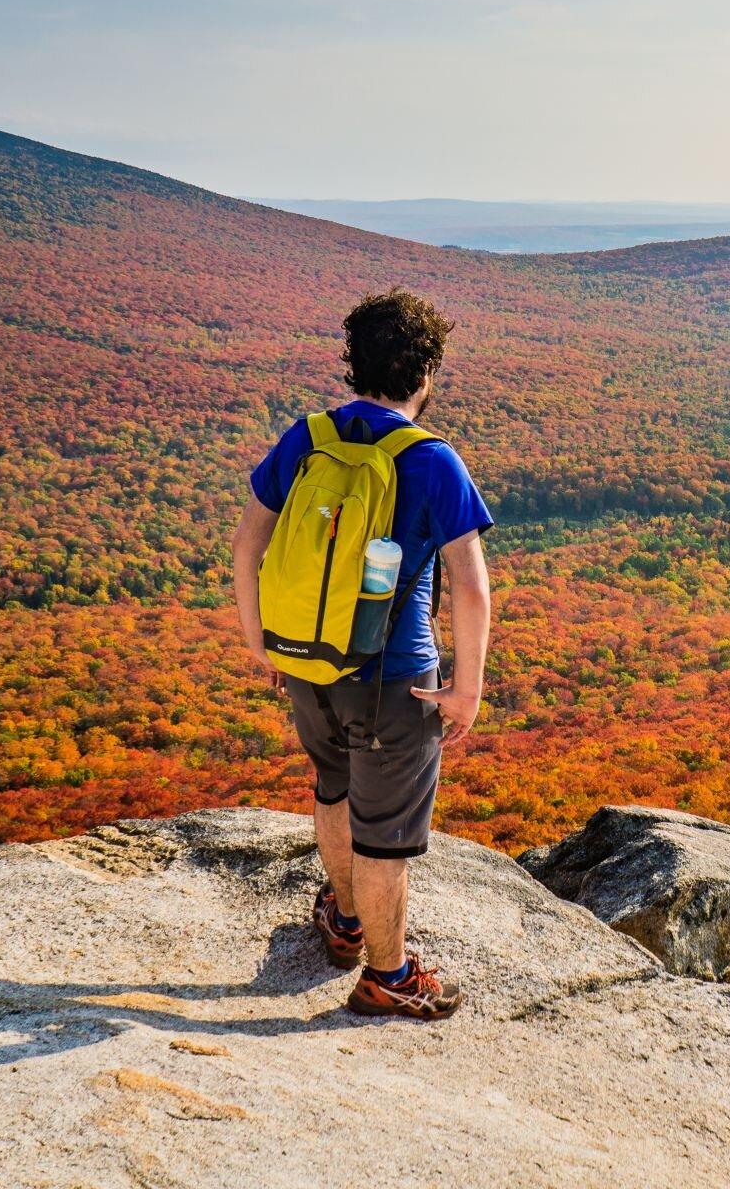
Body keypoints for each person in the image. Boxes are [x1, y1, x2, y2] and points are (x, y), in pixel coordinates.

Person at [231, 289, 492, 1020]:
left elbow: (248, 543)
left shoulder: (308, 437)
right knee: (388, 835)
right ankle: (389, 976)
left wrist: (259, 639)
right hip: (393, 678)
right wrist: (466, 689)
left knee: (333, 787)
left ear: (354, 365)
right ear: (426, 375)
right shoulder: (432, 459)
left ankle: (345, 921)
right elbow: (470, 589)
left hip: (306, 663)